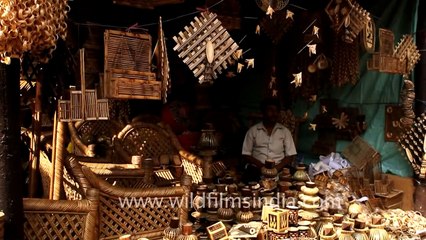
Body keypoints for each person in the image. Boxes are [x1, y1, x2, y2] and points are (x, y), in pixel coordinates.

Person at [241, 97, 297, 183]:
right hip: (257, 169)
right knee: (248, 178)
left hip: (279, 169)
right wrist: (262, 167)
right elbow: (246, 154)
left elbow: (290, 155)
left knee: (293, 177)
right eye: (270, 110)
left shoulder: (285, 131)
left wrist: (276, 169)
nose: (274, 114)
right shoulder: (253, 131)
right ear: (263, 112)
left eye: (276, 111)